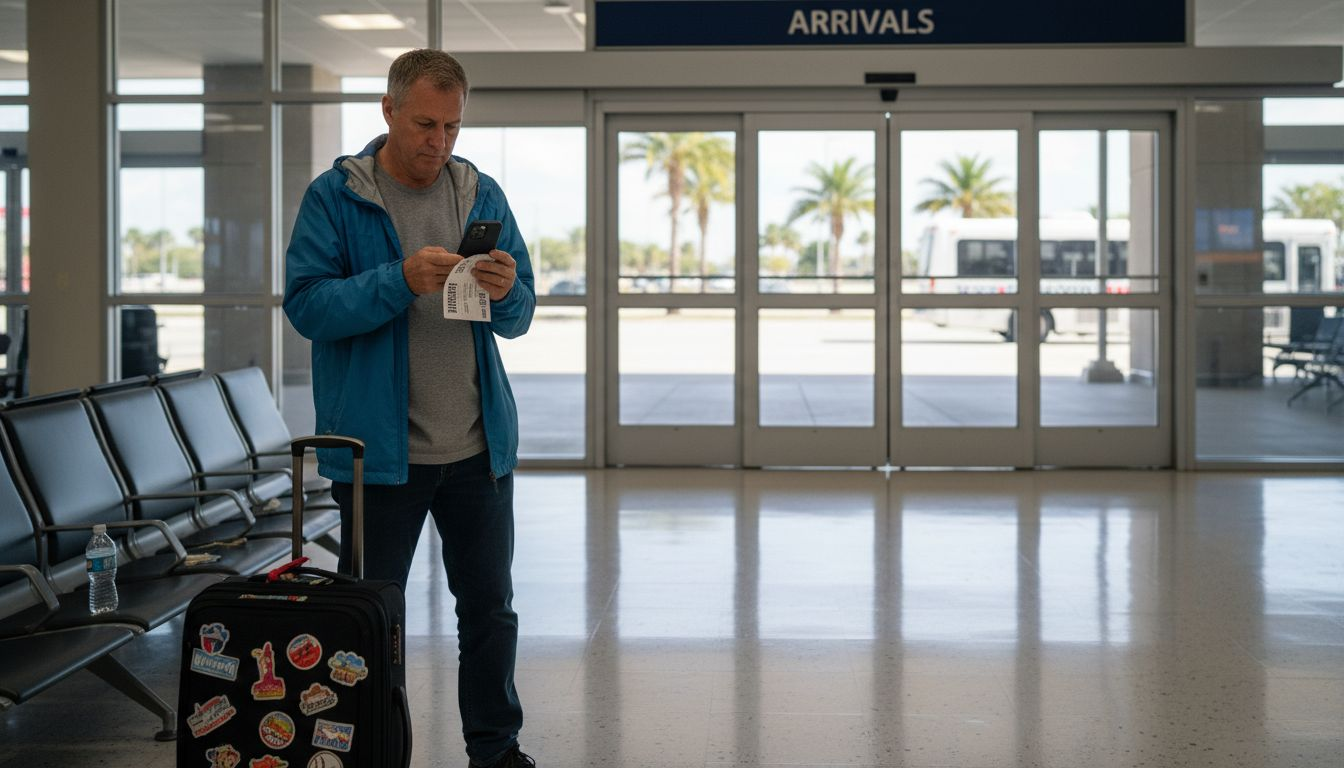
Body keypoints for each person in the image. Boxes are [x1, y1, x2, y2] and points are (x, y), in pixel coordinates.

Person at [283, 49, 536, 768]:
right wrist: (398, 280)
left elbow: (520, 314)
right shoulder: (337, 197)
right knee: (369, 620)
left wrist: (507, 291)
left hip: (477, 450)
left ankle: (496, 750)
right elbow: (307, 306)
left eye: (453, 126)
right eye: (426, 124)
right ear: (389, 110)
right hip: (378, 457)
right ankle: (366, 750)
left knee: (489, 611)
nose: (440, 141)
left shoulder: (480, 193)